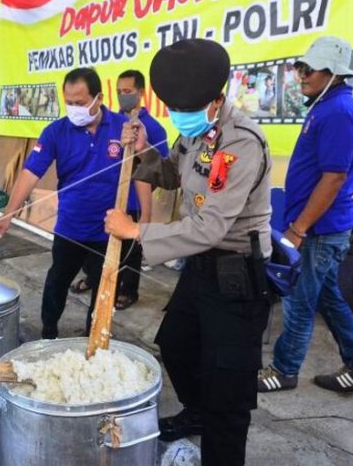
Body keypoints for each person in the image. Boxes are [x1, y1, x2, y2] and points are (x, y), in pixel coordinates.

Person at [105, 39, 272, 466]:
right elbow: (171, 173)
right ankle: (198, 411)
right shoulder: (198, 132)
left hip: (236, 273)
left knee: (228, 392)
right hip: (200, 268)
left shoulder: (242, 143)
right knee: (176, 345)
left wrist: (136, 231)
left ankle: (219, 443)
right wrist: (139, 147)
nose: (180, 114)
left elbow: (211, 226)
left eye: (187, 107)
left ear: (217, 99)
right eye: (172, 107)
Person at [258, 36, 353, 394]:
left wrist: (299, 228)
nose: (301, 75)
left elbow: (334, 176)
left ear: (333, 72)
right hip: (319, 228)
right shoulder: (326, 105)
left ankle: (284, 371)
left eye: (309, 69)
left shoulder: (339, 111)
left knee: (298, 300)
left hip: (319, 230)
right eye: (300, 68)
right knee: (327, 297)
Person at [0, 67, 131, 338]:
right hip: (70, 227)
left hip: (109, 229)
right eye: (69, 103)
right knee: (57, 283)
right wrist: (8, 215)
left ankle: (95, 341)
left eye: (80, 102)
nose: (74, 108)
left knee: (103, 290)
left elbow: (143, 168)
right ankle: (48, 332)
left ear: (98, 98)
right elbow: (30, 173)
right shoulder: (56, 132)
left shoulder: (122, 129)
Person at [71, 69, 169, 309]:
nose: (123, 96)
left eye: (128, 91)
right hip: (108, 197)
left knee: (130, 250)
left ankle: (128, 290)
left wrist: (143, 194)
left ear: (141, 93)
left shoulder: (153, 128)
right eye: (119, 92)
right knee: (98, 244)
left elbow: (164, 168)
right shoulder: (112, 123)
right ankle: (97, 279)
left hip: (134, 199)